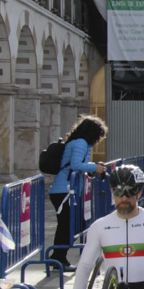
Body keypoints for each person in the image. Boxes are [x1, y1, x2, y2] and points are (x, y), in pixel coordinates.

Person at [49, 115, 108, 269]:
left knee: (70, 224)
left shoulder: (78, 142)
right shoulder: (81, 143)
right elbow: (76, 165)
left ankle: (58, 257)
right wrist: (94, 168)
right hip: (65, 190)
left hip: (65, 189)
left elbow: (77, 164)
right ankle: (58, 257)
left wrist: (93, 167)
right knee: (68, 225)